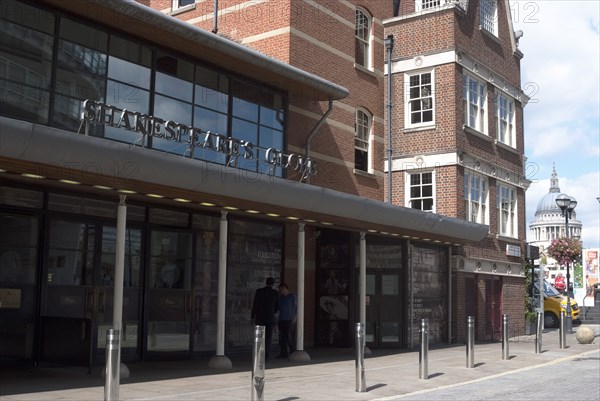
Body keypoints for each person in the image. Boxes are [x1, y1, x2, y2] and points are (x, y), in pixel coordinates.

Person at [251, 277, 279, 360]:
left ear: (266, 282)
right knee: (268, 337)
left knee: (259, 337)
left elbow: (255, 305)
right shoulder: (275, 293)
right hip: (270, 318)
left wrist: (252, 316)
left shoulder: (259, 292)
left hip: (259, 317)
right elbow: (277, 306)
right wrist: (272, 312)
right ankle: (266, 355)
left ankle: (259, 354)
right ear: (273, 284)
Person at [277, 283, 296, 358]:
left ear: (285, 289)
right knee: (282, 338)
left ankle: (293, 352)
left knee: (290, 337)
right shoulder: (280, 298)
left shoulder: (292, 297)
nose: (280, 291)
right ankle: (283, 353)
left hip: (289, 320)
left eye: (281, 290)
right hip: (281, 320)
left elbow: (297, 307)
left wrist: (295, 318)